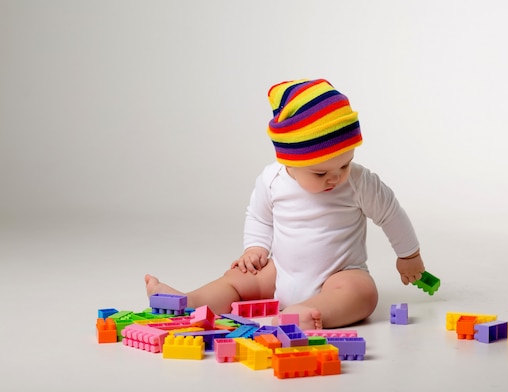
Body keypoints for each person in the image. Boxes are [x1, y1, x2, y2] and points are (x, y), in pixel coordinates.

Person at [145, 78, 426, 330]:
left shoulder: (359, 182)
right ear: (289, 160)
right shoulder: (272, 180)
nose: (336, 177)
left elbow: (391, 214)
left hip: (339, 274)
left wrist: (408, 256)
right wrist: (255, 249)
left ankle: (308, 313)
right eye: (320, 173)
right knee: (237, 278)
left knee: (363, 293)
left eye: (345, 163)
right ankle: (189, 302)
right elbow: (259, 217)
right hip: (280, 272)